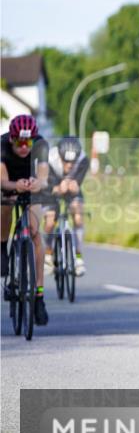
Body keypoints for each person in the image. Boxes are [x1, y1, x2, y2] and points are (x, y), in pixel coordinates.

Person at [1, 115, 50, 325]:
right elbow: (2, 181)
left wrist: (37, 183)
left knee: (35, 230)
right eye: (19, 143)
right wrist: (15, 186)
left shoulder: (41, 145)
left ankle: (39, 295)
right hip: (9, 185)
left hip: (31, 187)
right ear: (11, 139)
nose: (24, 147)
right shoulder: (2, 145)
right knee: (6, 204)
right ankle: (2, 247)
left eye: (27, 143)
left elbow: (44, 178)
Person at [43, 136, 89, 276]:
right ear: (59, 156)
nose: (69, 165)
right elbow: (45, 185)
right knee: (50, 220)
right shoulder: (50, 159)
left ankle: (78, 257)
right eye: (66, 161)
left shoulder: (83, 159)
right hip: (52, 188)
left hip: (71, 188)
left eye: (72, 162)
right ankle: (48, 255)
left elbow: (78, 181)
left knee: (78, 215)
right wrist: (57, 188)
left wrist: (75, 184)